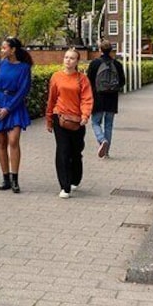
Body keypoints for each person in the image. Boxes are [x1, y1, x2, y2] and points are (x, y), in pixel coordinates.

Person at [0, 37, 33, 194]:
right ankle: (5, 178)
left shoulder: (24, 68)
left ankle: (15, 177)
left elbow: (23, 90)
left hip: (14, 106)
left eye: (4, 48)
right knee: (1, 141)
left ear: (13, 49)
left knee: (13, 140)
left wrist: (8, 108)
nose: (2, 51)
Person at [46, 48, 94, 199]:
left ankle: (75, 178)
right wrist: (48, 119)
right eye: (66, 57)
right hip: (59, 117)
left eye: (72, 58)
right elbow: (51, 99)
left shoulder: (82, 79)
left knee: (76, 152)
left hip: (77, 120)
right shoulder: (56, 77)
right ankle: (64, 186)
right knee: (63, 151)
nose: (68, 60)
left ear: (77, 61)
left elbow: (87, 99)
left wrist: (85, 116)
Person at [86, 40, 126, 159]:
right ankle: (106, 152)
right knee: (109, 125)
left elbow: (89, 81)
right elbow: (122, 81)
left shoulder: (95, 63)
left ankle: (101, 139)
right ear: (111, 50)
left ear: (100, 49)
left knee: (95, 122)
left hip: (97, 98)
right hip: (112, 99)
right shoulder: (117, 64)